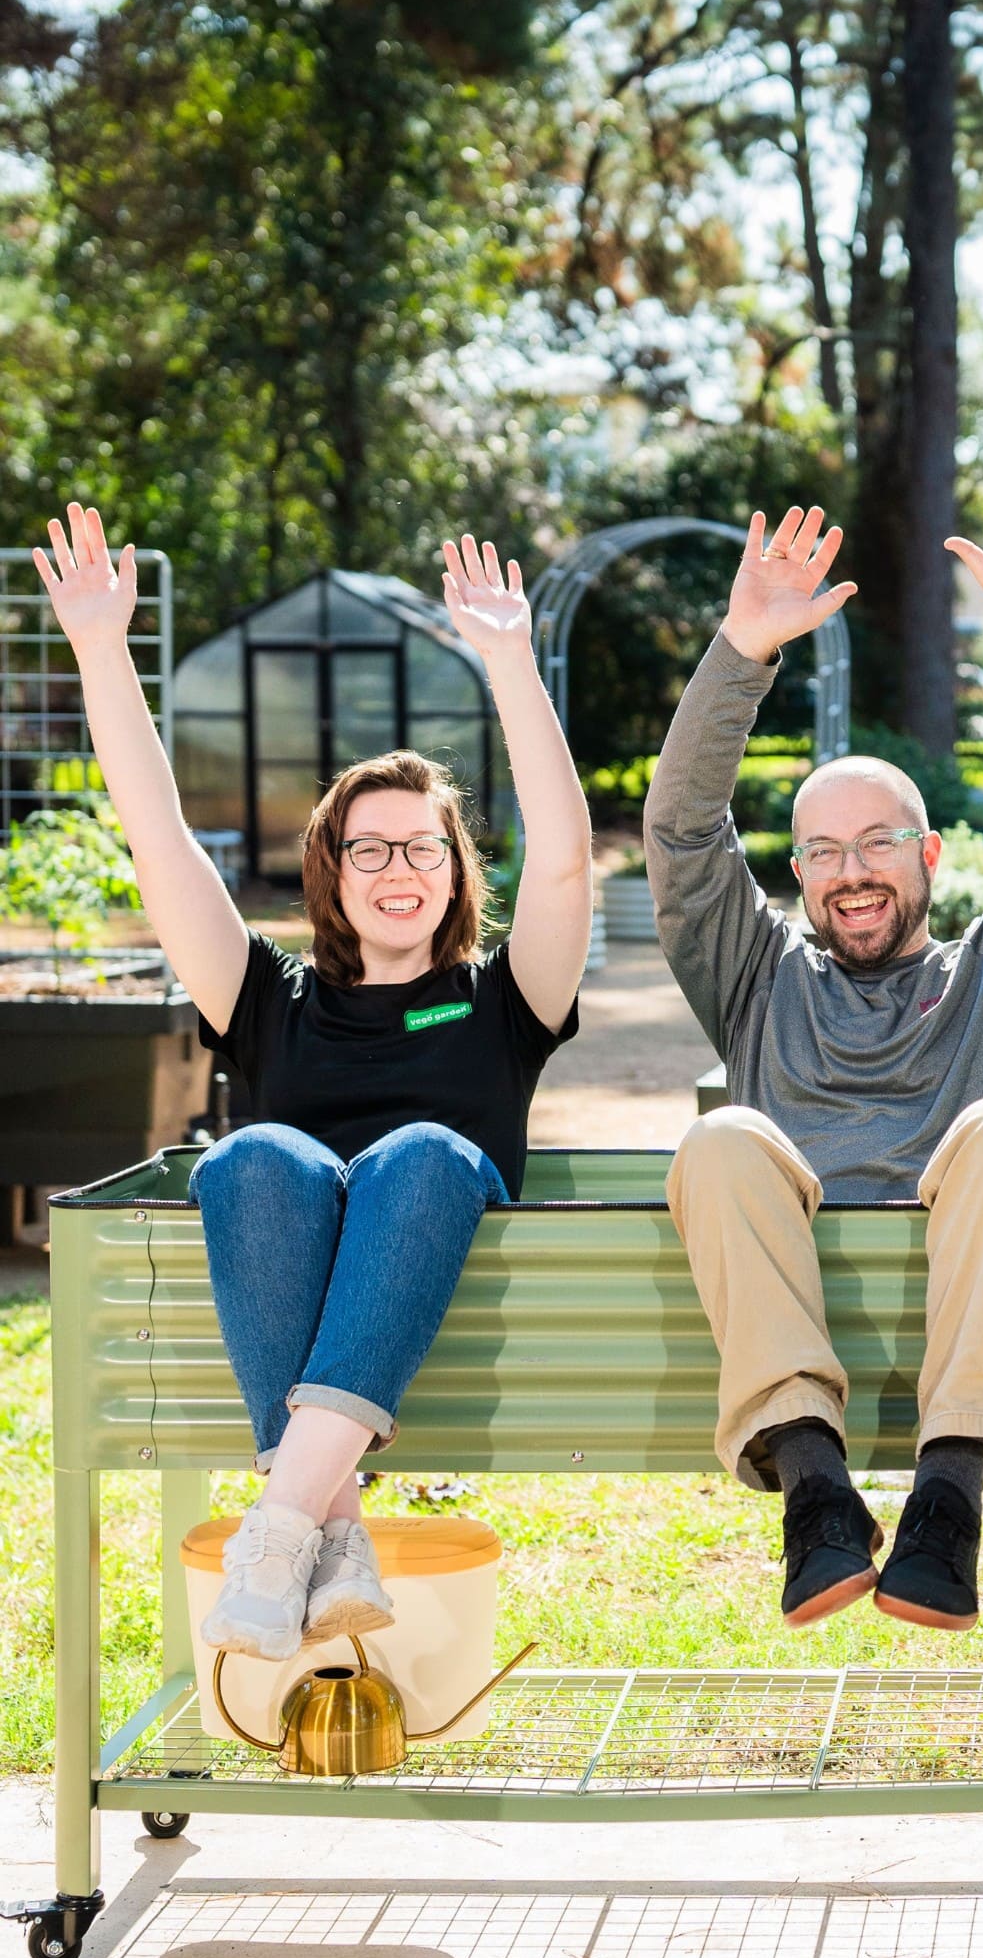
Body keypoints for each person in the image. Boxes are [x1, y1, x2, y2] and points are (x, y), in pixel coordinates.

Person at [37, 507, 590, 1658]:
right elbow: (156, 838)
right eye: (369, 848)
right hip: (311, 1288)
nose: (398, 868)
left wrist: (507, 664)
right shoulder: (267, 997)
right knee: (255, 1154)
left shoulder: (506, 1001)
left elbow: (570, 850)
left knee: (423, 1152)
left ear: (457, 872)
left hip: (452, 1280)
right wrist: (100, 650)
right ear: (330, 874)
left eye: (424, 847)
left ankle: (276, 1526)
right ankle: (327, 1544)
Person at [646, 468, 983, 1633]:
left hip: (969, 1290)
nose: (851, 871)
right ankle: (817, 1492)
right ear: (795, 872)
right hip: (792, 1305)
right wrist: (745, 645)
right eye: (822, 851)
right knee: (722, 1139)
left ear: (931, 853)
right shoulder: (753, 976)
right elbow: (681, 828)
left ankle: (948, 1500)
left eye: (879, 843)